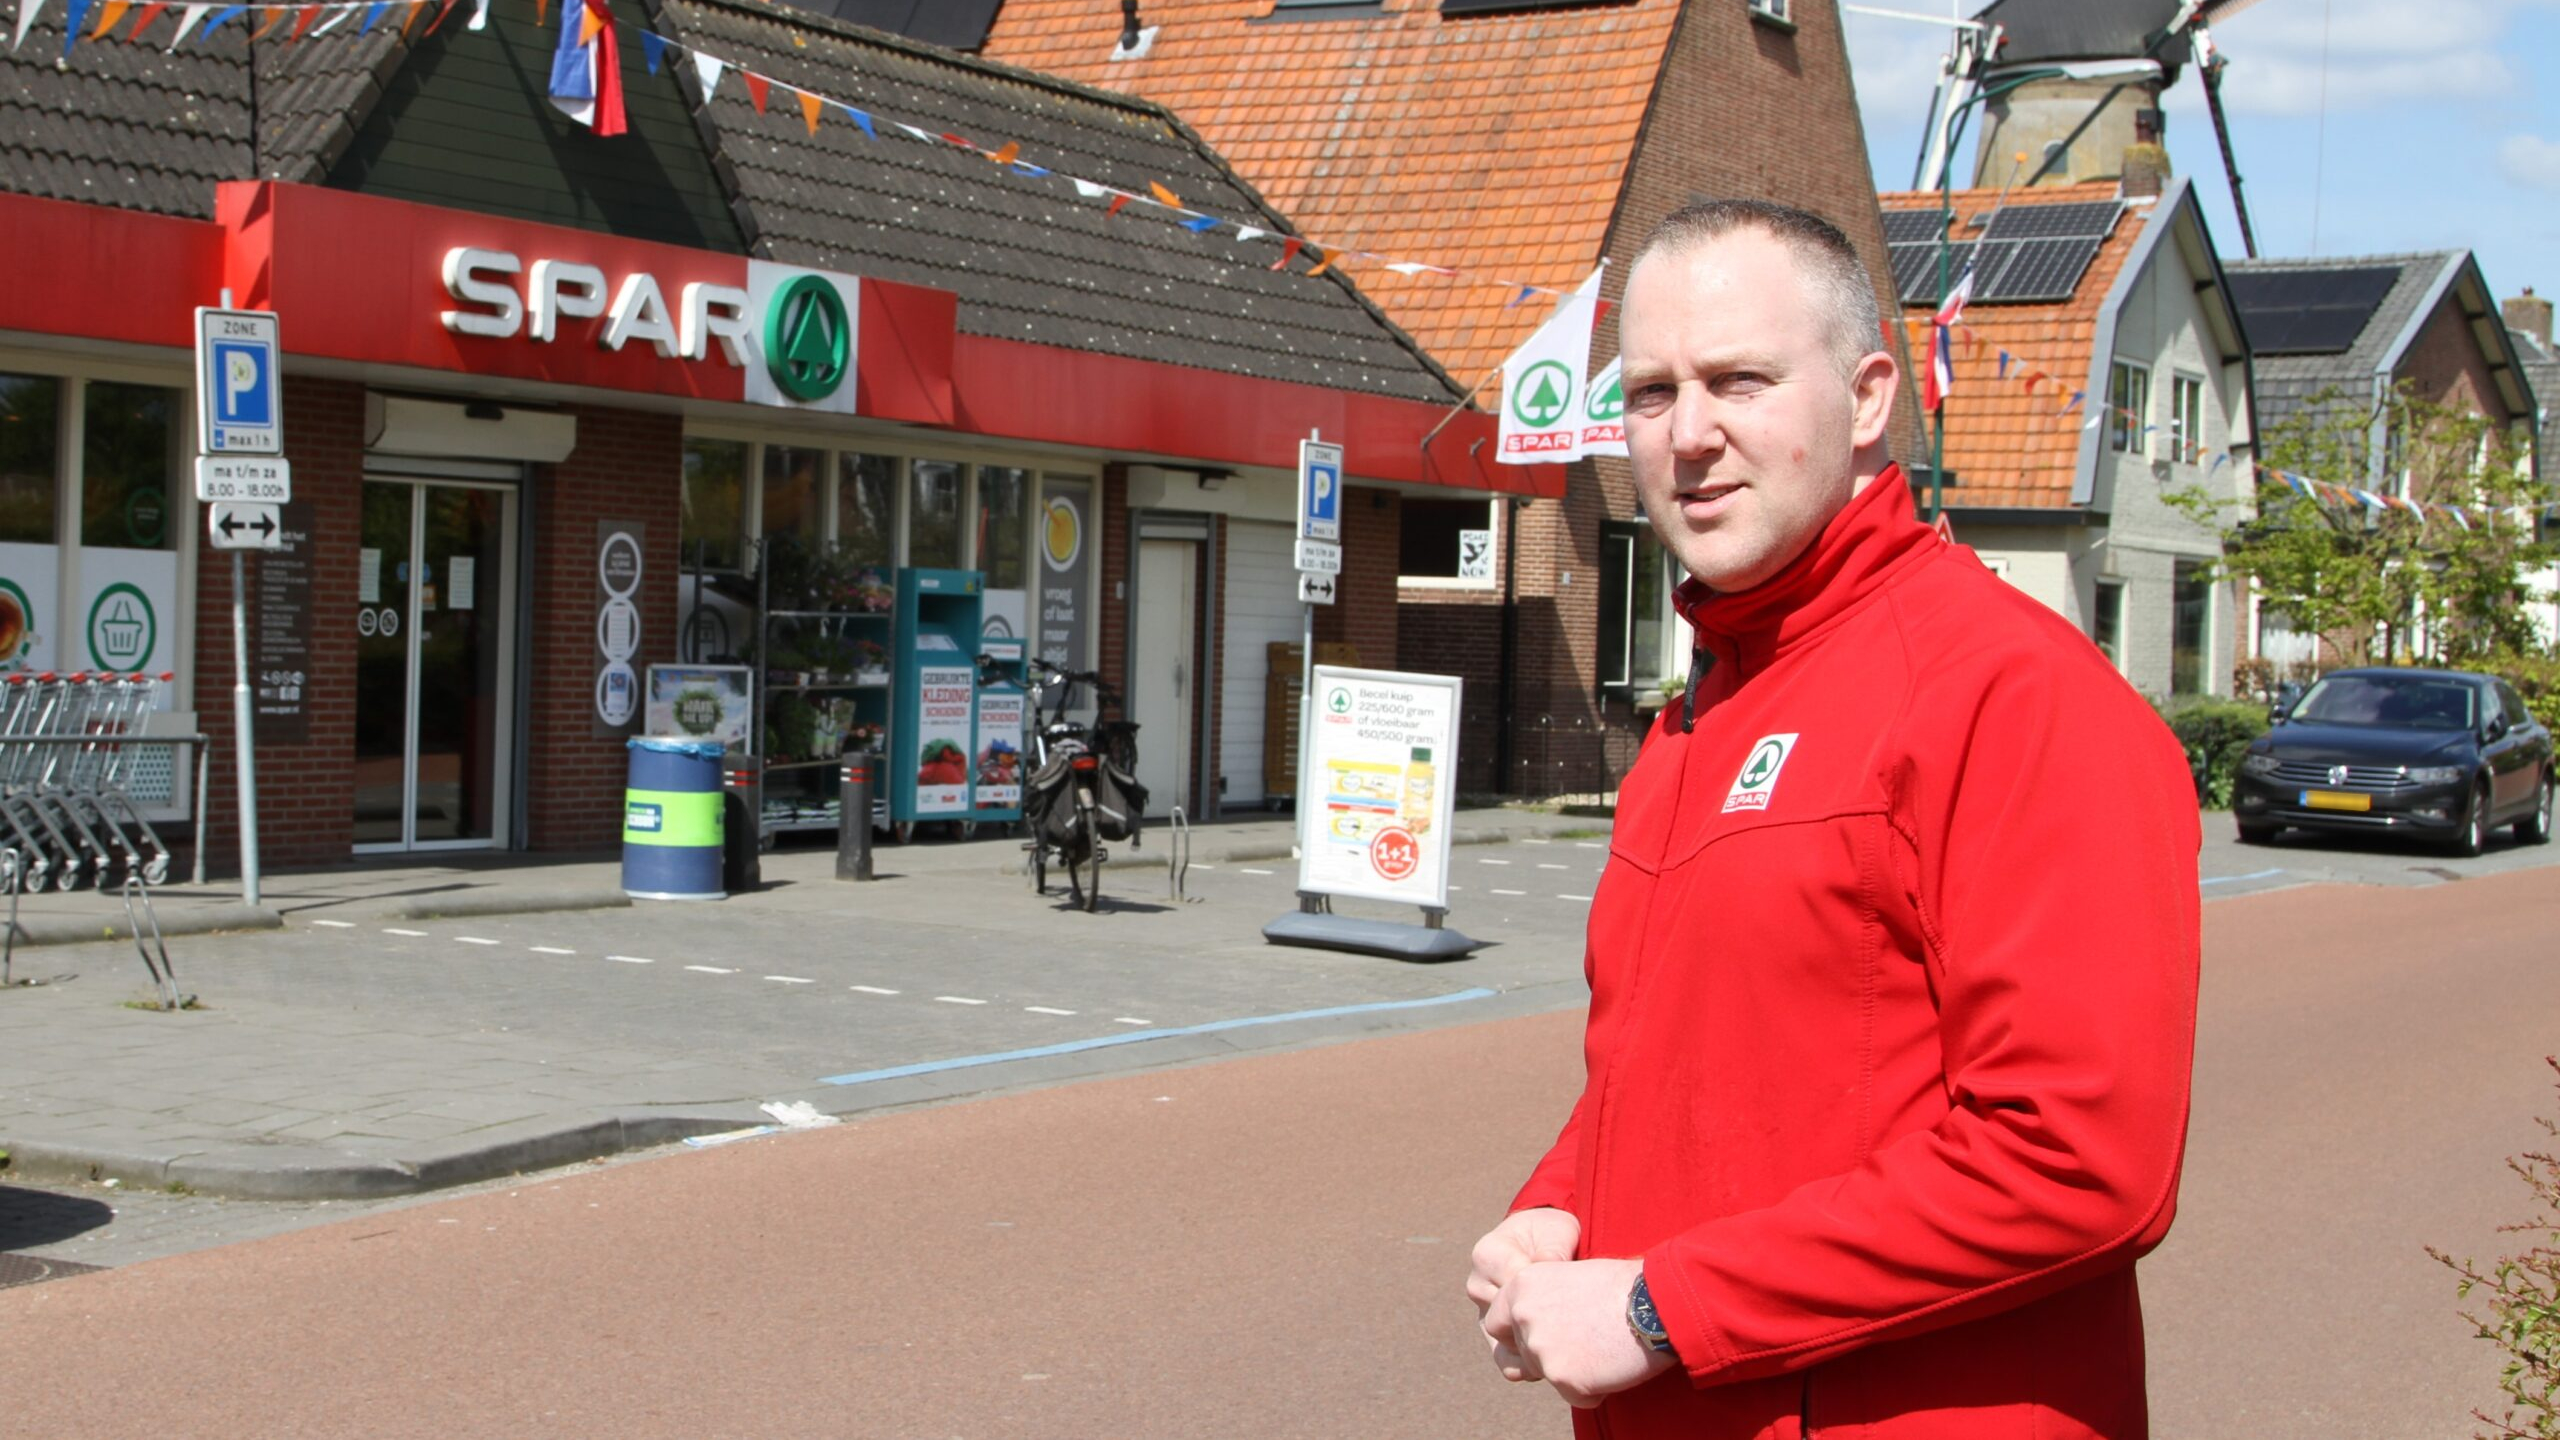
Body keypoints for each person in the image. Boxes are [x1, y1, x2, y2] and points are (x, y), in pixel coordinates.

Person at [1467, 199, 2201, 1439]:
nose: (1688, 435)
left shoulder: (2009, 696)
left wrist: (1660, 1310)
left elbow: (2074, 1162)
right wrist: (1564, 1201)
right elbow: (1680, 1054)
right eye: (1650, 393)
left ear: (1867, 400)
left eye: (1739, 381)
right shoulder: (1704, 706)